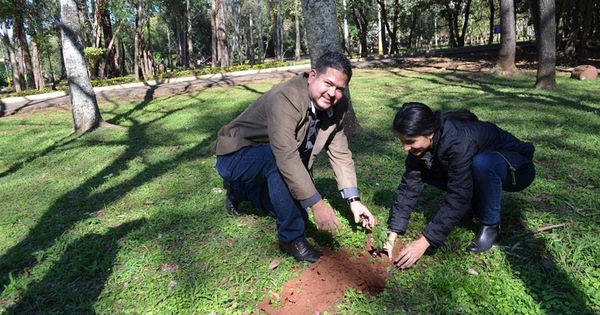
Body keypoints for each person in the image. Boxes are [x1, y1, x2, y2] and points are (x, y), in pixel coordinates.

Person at [215, 51, 376, 263]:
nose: (332, 93)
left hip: (267, 156)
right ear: (312, 76)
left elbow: (339, 151)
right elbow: (286, 156)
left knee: (296, 209)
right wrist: (318, 205)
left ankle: (241, 190)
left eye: (339, 89)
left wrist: (353, 199)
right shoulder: (286, 98)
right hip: (236, 155)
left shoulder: (338, 105)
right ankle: (290, 239)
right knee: (282, 170)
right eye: (327, 83)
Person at [383, 102, 535, 269]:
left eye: (410, 141)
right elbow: (408, 187)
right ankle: (475, 204)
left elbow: (458, 195)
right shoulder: (421, 147)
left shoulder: (458, 142)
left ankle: (491, 225)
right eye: (402, 141)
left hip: (517, 169)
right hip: (483, 166)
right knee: (427, 169)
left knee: (482, 164)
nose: (406, 148)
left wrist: (423, 242)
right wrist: (392, 235)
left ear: (429, 133)